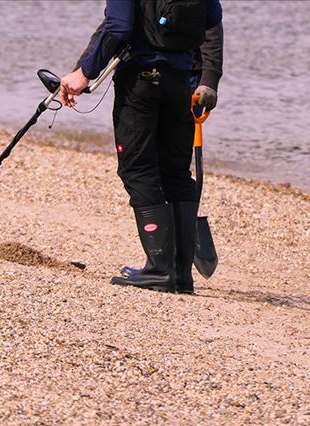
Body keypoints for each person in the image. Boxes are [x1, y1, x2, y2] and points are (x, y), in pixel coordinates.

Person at [59, 0, 223, 293]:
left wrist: (84, 74)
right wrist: (209, 79)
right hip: (181, 81)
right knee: (176, 173)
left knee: (138, 170)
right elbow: (212, 19)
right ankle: (180, 275)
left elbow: (118, 26)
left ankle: (160, 270)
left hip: (140, 82)